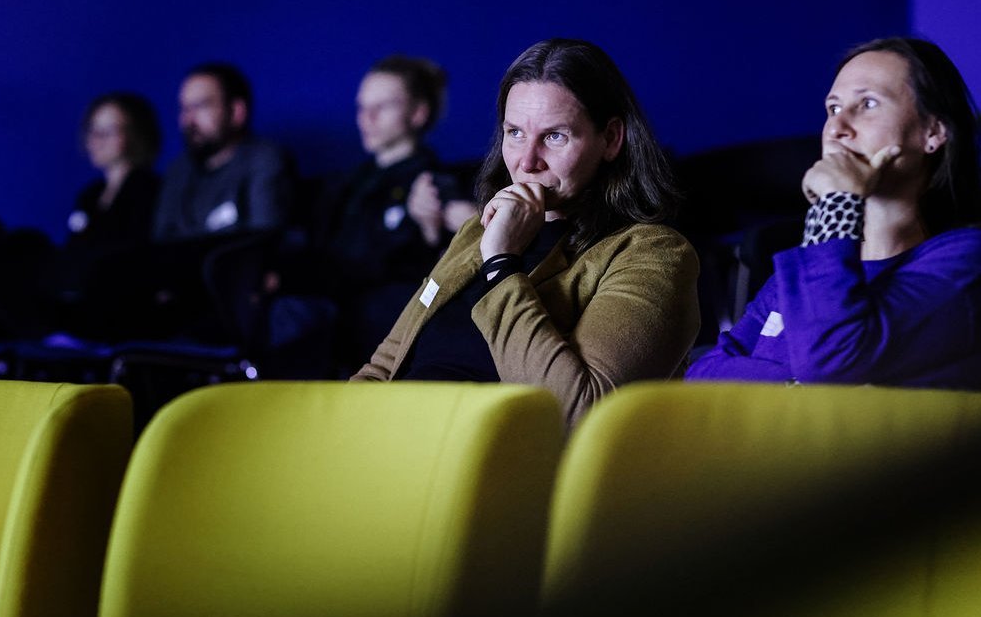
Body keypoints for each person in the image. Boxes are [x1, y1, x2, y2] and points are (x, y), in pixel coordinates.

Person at [352, 38, 701, 427]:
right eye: (515, 132)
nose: (527, 161)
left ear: (610, 139)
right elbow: (383, 366)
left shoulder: (651, 253)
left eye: (555, 136)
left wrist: (502, 264)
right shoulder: (477, 230)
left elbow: (581, 413)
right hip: (393, 436)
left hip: (489, 450)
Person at [687, 37, 981, 388]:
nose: (838, 128)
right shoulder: (800, 271)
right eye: (833, 108)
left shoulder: (966, 262)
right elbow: (703, 375)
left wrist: (838, 202)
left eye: (868, 103)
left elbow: (831, 359)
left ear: (932, 132)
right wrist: (800, 386)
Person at [291, 54, 472, 373]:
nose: (367, 118)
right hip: (331, 312)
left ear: (418, 112)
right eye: (362, 107)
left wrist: (431, 229)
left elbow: (451, 259)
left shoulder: (434, 185)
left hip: (382, 326)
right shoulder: (345, 183)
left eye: (382, 107)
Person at [152, 62, 297, 242]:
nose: (188, 120)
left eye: (201, 106)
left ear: (236, 111)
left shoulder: (264, 160)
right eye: (184, 108)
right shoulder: (178, 171)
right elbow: (161, 243)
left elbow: (264, 242)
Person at [67, 92, 162, 248]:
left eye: (109, 131)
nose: (96, 140)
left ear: (135, 134)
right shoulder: (89, 196)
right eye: (93, 130)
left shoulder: (150, 190)